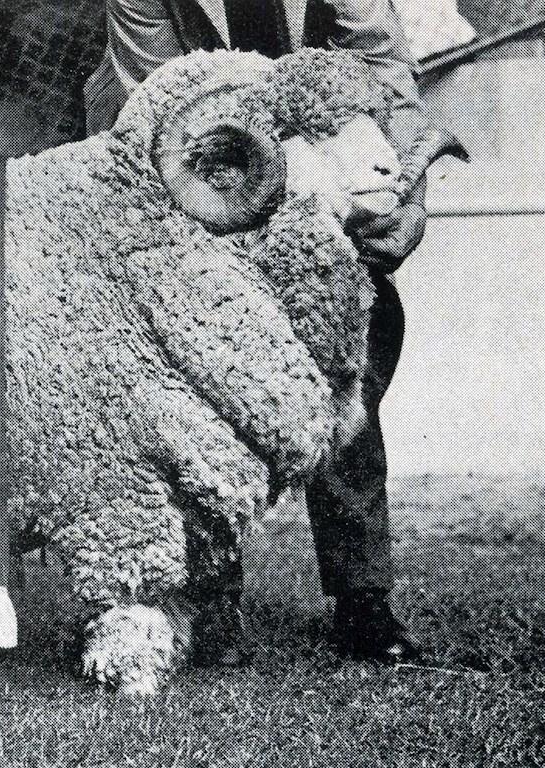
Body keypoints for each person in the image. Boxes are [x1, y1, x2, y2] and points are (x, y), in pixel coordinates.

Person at [86, 0, 430, 663]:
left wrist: (405, 203)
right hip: (189, 169)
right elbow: (163, 109)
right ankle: (211, 599)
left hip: (320, 160)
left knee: (351, 347)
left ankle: (364, 600)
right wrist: (284, 198)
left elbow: (387, 78)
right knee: (191, 391)